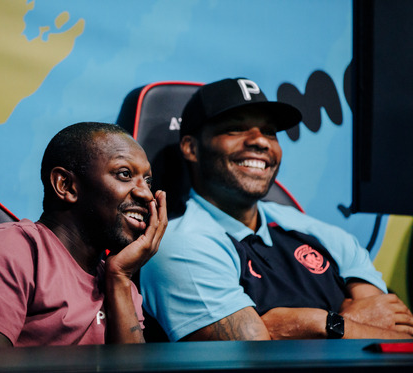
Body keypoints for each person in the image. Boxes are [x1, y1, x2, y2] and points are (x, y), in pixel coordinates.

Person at [140, 78, 413, 341]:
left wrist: (313, 323)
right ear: (191, 147)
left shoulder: (311, 229)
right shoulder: (181, 244)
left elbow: (393, 325)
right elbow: (250, 350)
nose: (260, 141)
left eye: (269, 132)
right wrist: (325, 323)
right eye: (235, 128)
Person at [0, 122, 167, 347]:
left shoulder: (118, 278)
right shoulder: (3, 254)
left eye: (148, 181)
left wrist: (121, 278)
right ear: (65, 185)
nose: (146, 194)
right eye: (124, 174)